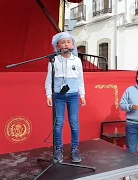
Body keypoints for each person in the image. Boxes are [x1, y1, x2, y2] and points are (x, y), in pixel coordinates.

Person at [45, 31, 86, 163]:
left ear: (73, 45)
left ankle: (75, 149)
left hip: (73, 95)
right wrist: (48, 94)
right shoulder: (54, 60)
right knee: (58, 123)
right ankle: (58, 150)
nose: (66, 44)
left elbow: (80, 79)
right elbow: (48, 80)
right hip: (59, 96)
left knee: (74, 122)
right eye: (63, 42)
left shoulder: (77, 60)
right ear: (58, 46)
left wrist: (82, 95)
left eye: (68, 42)